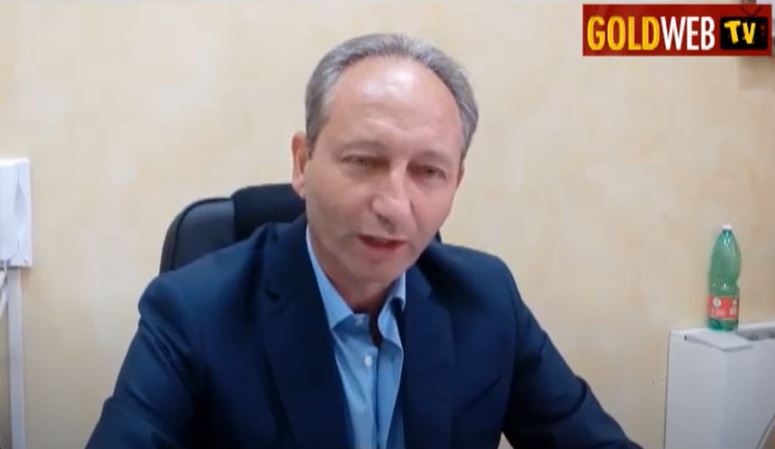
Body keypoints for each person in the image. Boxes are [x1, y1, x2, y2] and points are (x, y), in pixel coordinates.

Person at [87, 33, 641, 449]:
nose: (395, 205)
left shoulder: (486, 300)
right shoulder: (193, 313)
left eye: (428, 172)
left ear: (456, 183)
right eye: (363, 161)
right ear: (302, 163)